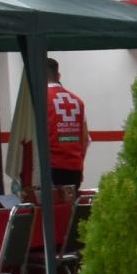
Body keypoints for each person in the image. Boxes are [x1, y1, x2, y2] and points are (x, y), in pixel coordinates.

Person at [42, 59, 88, 190]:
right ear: (58, 76)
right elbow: (85, 139)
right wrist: (79, 166)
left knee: (55, 210)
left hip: (52, 168)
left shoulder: (41, 100)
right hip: (75, 167)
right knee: (71, 208)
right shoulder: (78, 101)